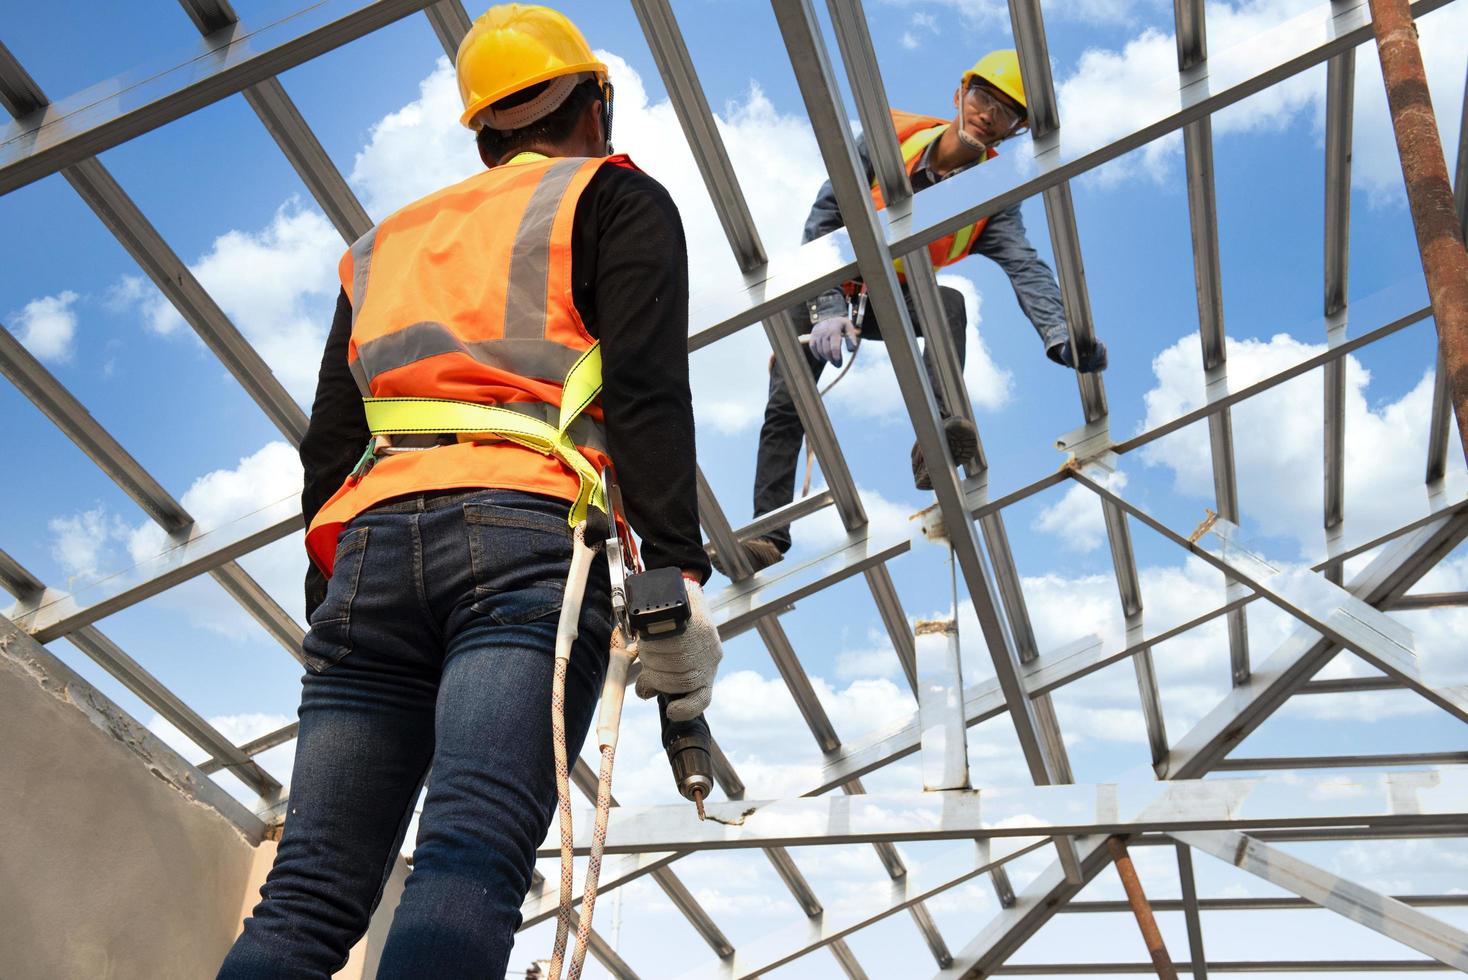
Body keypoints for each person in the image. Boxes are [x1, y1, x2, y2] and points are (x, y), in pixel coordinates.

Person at [218, 5, 720, 977]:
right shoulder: (613, 197)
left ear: (485, 132)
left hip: (369, 556)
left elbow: (330, 443)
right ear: (597, 105)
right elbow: (648, 386)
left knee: (309, 891)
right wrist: (675, 566)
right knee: (466, 860)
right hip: (524, 539)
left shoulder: (382, 244)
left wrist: (335, 595)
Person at [719, 51, 1107, 577]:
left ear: (1016, 131)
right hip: (824, 284)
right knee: (789, 401)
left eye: (1008, 112)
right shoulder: (888, 138)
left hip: (893, 298)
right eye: (983, 98)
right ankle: (767, 534)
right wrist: (828, 304)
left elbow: (1026, 267)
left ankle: (938, 435)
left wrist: (1063, 333)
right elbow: (823, 221)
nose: (990, 115)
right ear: (960, 94)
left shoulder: (993, 195)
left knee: (949, 303)